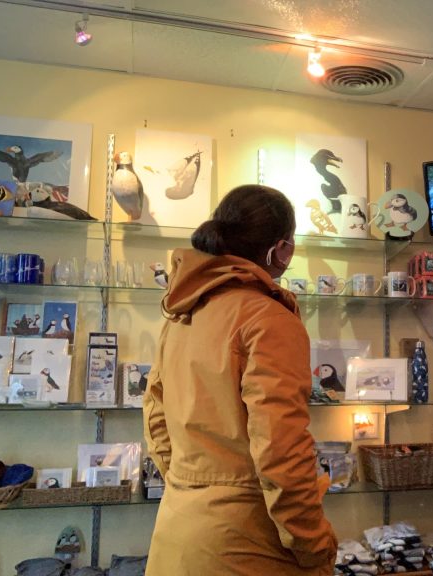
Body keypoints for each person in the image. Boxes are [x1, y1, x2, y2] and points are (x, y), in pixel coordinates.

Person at [143, 184, 338, 576]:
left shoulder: (182, 314)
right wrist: (316, 546)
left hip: (175, 534)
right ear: (281, 250)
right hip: (247, 546)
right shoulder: (269, 319)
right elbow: (281, 449)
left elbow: (155, 421)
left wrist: (192, 487)